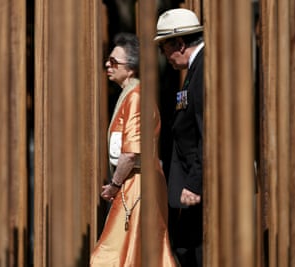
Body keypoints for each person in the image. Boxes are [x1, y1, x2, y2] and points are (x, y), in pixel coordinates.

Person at [90, 32, 176, 267]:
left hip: (136, 187)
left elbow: (131, 152)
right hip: (132, 184)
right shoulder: (129, 96)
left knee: (112, 256)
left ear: (131, 68)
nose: (108, 65)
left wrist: (114, 186)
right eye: (108, 60)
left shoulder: (136, 98)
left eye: (114, 62)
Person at [154, 8, 204, 267]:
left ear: (180, 43)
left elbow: (206, 133)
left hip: (199, 189)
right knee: (185, 248)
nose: (164, 55)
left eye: (163, 47)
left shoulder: (203, 71)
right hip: (193, 186)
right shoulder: (195, 70)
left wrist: (196, 183)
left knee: (194, 252)